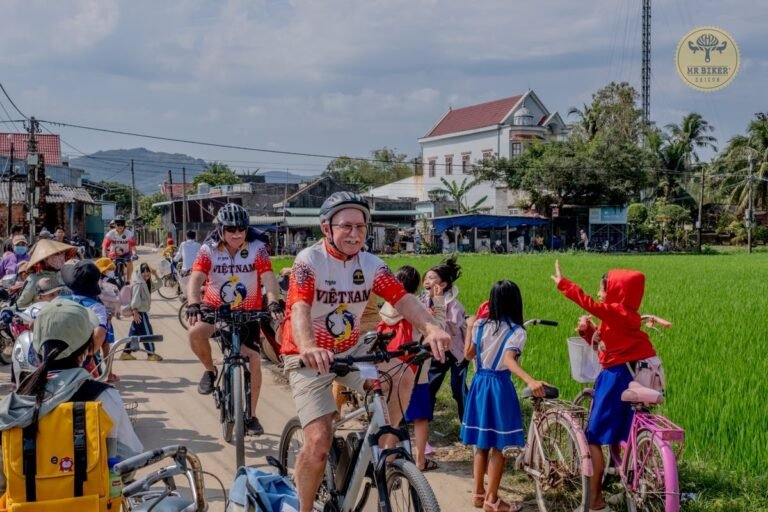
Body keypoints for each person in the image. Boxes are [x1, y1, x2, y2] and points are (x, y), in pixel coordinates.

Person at [280, 191, 451, 512]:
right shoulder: (308, 261)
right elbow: (300, 307)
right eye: (346, 226)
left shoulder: (371, 264)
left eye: (361, 226)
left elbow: (403, 299)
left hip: (351, 345)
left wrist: (432, 327)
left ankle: (384, 456)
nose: (355, 233)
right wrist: (307, 347)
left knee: (400, 374)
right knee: (318, 443)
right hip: (307, 353)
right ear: (326, 228)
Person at [0, 301, 143, 495]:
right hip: (92, 505)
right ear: (88, 348)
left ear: (37, 347)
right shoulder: (105, 397)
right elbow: (129, 462)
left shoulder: (12, 404)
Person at [551, 260, 659, 512]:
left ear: (616, 292)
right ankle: (628, 487)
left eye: (603, 289)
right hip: (634, 374)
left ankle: (595, 502)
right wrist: (587, 332)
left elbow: (589, 303)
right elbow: (604, 348)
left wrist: (563, 284)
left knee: (594, 438)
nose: (600, 294)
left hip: (616, 377)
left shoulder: (618, 312)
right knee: (627, 433)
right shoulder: (624, 317)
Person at [186, 203, 284, 435]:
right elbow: (197, 277)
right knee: (195, 333)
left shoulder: (257, 248)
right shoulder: (208, 249)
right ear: (221, 229)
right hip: (215, 309)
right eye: (231, 229)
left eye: (242, 229)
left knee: (254, 361)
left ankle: (250, 416)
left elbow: (268, 276)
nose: (237, 234)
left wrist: (272, 300)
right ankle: (210, 371)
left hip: (246, 311)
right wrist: (192, 303)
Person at [461, 280, 546, 512]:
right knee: (500, 446)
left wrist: (469, 327)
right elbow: (508, 360)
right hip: (499, 387)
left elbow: (467, 354)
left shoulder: (479, 325)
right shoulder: (516, 331)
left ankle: (479, 494)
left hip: (479, 384)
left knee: (481, 444)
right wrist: (530, 380)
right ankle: (493, 500)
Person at [423, 256, 468, 422]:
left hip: (457, 353)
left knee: (459, 389)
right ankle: (425, 420)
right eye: (426, 277)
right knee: (429, 386)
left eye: (432, 278)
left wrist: (439, 304)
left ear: (443, 285)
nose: (427, 280)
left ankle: (467, 424)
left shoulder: (454, 305)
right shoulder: (424, 300)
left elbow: (447, 328)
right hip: (437, 351)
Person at [59, 260, 112, 375]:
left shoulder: (59, 301)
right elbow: (99, 334)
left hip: (57, 357)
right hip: (82, 360)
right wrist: (88, 353)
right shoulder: (97, 307)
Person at [122, 263, 163, 361]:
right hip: (139, 312)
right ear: (139, 272)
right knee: (147, 333)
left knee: (134, 333)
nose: (146, 274)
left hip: (140, 312)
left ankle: (126, 353)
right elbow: (135, 300)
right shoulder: (138, 284)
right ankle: (151, 354)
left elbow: (158, 284)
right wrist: (135, 312)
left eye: (148, 271)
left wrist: (155, 274)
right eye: (143, 271)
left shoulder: (145, 283)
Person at [16, 239, 74, 308]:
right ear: (46, 259)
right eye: (57, 254)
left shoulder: (65, 275)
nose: (61, 257)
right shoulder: (34, 279)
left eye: (63, 253)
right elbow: (21, 305)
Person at [102, 215, 137, 282]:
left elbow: (133, 247)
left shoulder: (129, 234)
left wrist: (134, 254)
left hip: (126, 253)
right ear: (115, 225)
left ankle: (128, 281)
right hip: (113, 254)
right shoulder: (110, 234)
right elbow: (104, 246)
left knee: (130, 262)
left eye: (122, 224)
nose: (120, 226)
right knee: (109, 266)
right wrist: (104, 255)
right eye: (118, 224)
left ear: (124, 225)